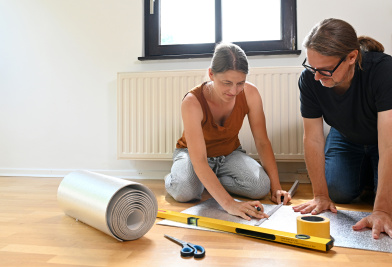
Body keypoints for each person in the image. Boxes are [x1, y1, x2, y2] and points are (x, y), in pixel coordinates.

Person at [165, 43, 290, 221]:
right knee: (185, 191)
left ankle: (207, 181)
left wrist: (276, 187)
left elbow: (262, 141)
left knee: (261, 187)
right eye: (227, 83)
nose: (234, 90)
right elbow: (199, 159)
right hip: (193, 155)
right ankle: (181, 177)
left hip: (229, 153)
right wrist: (229, 203)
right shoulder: (192, 102)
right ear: (211, 74)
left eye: (240, 83)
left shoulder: (251, 93)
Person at [293, 18, 392, 239]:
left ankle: (372, 178)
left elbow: (388, 145)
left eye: (325, 70)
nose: (316, 77)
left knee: (386, 198)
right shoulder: (310, 78)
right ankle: (368, 176)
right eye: (312, 67)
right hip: (346, 135)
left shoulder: (383, 70)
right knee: (337, 191)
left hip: (382, 138)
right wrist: (320, 195)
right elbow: (313, 139)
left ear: (351, 57)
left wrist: (382, 211)